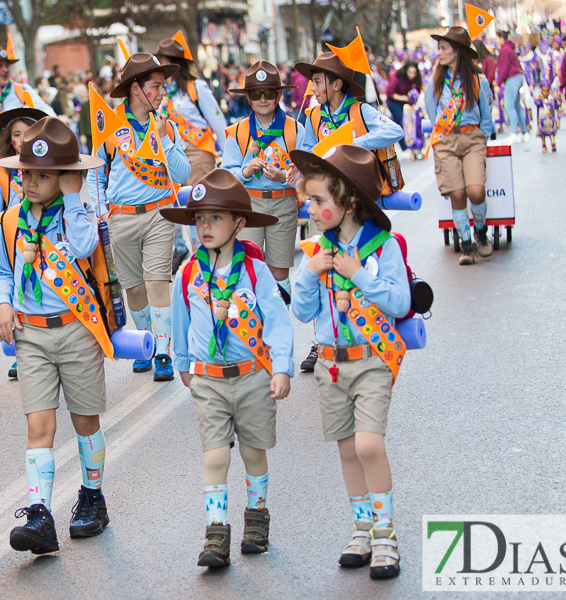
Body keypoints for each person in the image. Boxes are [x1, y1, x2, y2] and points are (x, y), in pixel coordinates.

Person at [0, 117, 112, 554]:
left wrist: (75, 196)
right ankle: (39, 514)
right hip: (32, 336)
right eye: (26, 173)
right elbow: (4, 273)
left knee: (85, 420)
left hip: (76, 330)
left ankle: (93, 497)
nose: (31, 182)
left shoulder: (75, 214)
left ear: (66, 176)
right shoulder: (11, 220)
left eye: (44, 175)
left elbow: (82, 248)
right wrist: (2, 304)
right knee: (38, 423)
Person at [290, 144, 410, 580]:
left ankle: (386, 536)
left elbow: (399, 302)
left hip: (371, 359)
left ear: (350, 202)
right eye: (310, 200)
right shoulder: (316, 250)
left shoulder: (383, 247)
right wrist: (310, 271)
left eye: (320, 200)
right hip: (330, 364)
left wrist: (359, 273)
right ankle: (362, 530)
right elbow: (302, 313)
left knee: (368, 445)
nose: (311, 207)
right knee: (346, 450)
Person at [163, 168, 293, 568]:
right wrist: (184, 365)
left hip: (253, 376)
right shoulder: (188, 274)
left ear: (240, 223)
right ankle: (216, 533)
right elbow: (180, 323)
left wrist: (282, 367)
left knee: (254, 452)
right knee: (215, 457)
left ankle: (256, 519)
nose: (205, 226)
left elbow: (277, 321)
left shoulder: (255, 271)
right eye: (199, 218)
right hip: (210, 382)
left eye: (215, 217)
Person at [291, 50, 403, 372]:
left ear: (337, 83)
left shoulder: (360, 110)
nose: (311, 88)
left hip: (356, 204)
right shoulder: (312, 115)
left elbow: (393, 131)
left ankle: (368, 330)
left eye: (316, 81)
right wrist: (299, 172)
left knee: (363, 265)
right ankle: (320, 340)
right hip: (325, 206)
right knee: (322, 267)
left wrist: (355, 144)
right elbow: (311, 152)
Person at [86, 51, 190, 381]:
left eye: (163, 86)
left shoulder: (166, 126)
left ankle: (163, 351)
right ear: (136, 89)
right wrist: (100, 211)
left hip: (160, 213)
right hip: (121, 219)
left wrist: (163, 140)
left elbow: (183, 173)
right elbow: (95, 174)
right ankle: (144, 341)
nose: (162, 93)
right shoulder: (109, 124)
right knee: (133, 288)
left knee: (158, 280)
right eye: (156, 86)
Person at [220, 61, 303, 303]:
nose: (263, 99)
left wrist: (284, 176)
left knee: (279, 270)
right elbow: (227, 174)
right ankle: (253, 329)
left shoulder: (295, 129)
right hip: (249, 205)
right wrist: (245, 172)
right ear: (248, 97)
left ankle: (279, 327)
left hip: (283, 205)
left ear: (278, 95)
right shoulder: (237, 132)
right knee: (249, 268)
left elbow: (307, 173)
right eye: (256, 93)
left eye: (269, 93)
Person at [0, 106, 43, 380]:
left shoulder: (46, 166)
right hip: (12, 243)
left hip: (42, 239)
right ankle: (19, 353)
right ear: (10, 141)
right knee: (15, 295)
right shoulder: (2, 172)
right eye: (17, 134)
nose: (22, 138)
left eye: (28, 132)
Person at [424, 26, 494, 265]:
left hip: (472, 137)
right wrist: (440, 139)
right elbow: (434, 114)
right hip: (446, 140)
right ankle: (466, 244)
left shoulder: (478, 80)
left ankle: (482, 233)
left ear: (458, 52)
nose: (439, 53)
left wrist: (482, 137)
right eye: (439, 48)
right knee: (458, 193)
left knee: (476, 190)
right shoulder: (436, 83)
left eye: (444, 48)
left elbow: (486, 116)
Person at [0, 43, 54, 202]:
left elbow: (49, 116)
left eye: (7, 65)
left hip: (20, 163)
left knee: (23, 206)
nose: (5, 69)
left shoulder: (22, 91)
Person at [156, 32, 228, 185]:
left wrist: (229, 159)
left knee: (196, 203)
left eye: (161, 60)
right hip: (172, 156)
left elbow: (218, 123)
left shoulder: (196, 87)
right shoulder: (160, 92)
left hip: (197, 152)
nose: (158, 64)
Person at [496, 30, 528, 143]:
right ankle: (523, 132)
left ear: (500, 38)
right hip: (517, 76)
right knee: (517, 106)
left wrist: (499, 82)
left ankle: (515, 132)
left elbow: (503, 68)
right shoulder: (510, 48)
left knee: (509, 105)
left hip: (512, 77)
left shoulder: (504, 50)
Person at [385, 61, 422, 133]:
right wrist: (403, 97)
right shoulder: (397, 77)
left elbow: (418, 91)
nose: (412, 75)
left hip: (407, 103)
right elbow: (390, 93)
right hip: (394, 102)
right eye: (410, 72)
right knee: (401, 120)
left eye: (414, 73)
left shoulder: (416, 80)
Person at [535, 81, 560, 152]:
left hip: (550, 118)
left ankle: (553, 143)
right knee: (542, 133)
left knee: (551, 132)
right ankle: (543, 144)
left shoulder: (551, 99)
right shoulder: (540, 99)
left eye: (547, 91)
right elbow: (536, 103)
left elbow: (556, 106)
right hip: (542, 119)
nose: (546, 93)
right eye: (544, 91)